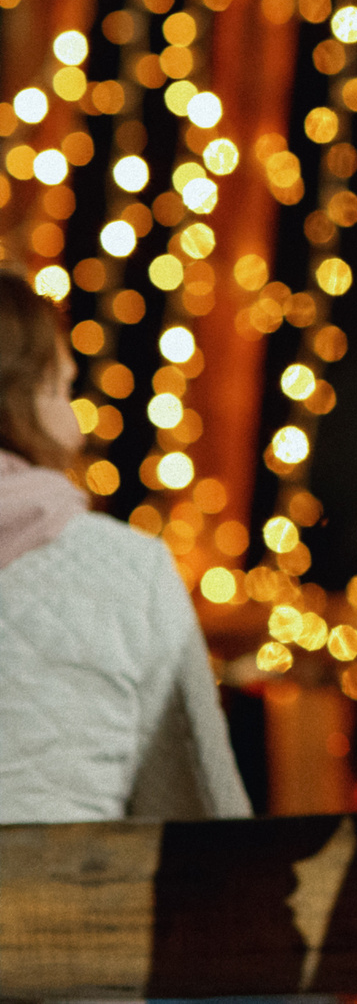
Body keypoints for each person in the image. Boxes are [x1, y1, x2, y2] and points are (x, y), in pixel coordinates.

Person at [0, 267, 251, 823]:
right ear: (25, 393)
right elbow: (205, 812)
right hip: (67, 906)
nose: (80, 426)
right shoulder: (127, 571)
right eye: (64, 388)